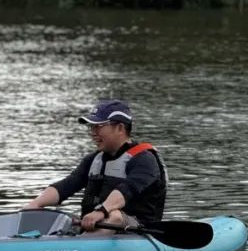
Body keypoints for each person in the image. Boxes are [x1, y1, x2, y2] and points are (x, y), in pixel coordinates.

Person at [26, 99, 168, 231]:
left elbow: (127, 190)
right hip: (97, 227)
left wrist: (101, 210)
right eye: (91, 127)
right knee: (60, 217)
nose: (93, 133)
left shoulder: (145, 160)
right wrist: (35, 204)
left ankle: (82, 244)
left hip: (138, 231)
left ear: (120, 128)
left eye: (98, 127)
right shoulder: (93, 159)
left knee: (115, 216)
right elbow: (67, 185)